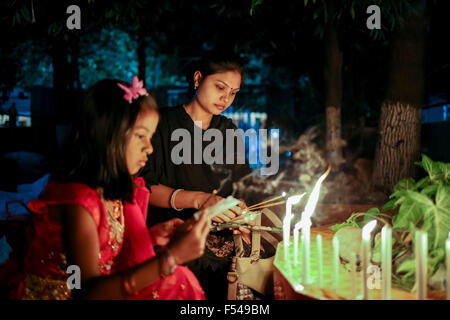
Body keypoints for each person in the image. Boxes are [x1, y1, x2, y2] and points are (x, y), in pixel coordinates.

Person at [2, 77, 210, 300]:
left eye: (150, 137)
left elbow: (101, 251)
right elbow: (84, 290)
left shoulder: (112, 191)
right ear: (108, 135)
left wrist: (151, 237)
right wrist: (169, 258)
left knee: (178, 280)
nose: (149, 148)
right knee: (175, 281)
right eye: (141, 136)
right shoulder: (78, 202)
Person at [141, 50, 252, 300]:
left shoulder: (228, 131)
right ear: (198, 78)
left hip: (221, 246)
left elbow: (241, 188)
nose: (226, 98)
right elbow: (144, 189)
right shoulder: (162, 124)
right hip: (171, 239)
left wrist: (240, 213)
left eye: (233, 92)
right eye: (220, 87)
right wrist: (200, 200)